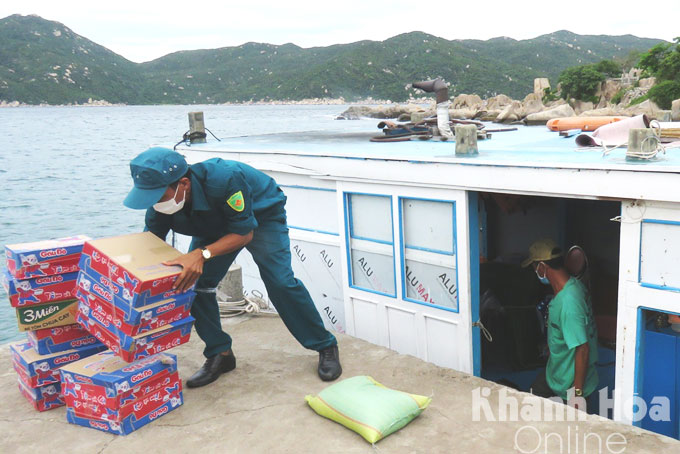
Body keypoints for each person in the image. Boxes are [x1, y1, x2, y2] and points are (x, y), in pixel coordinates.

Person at [123, 147, 342, 387]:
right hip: (212, 225)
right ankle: (220, 353)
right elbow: (151, 244)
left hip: (259, 215)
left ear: (183, 183)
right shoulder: (161, 202)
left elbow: (243, 233)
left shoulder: (225, 179)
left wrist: (201, 253)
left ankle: (324, 344)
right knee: (193, 283)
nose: (153, 202)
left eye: (157, 195)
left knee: (280, 282)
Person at [523, 239, 599, 412]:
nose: (535, 272)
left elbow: (583, 349)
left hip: (570, 382)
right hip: (556, 370)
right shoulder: (571, 286)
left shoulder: (569, 303)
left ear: (542, 267)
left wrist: (577, 394)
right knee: (529, 400)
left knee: (570, 430)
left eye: (534, 267)